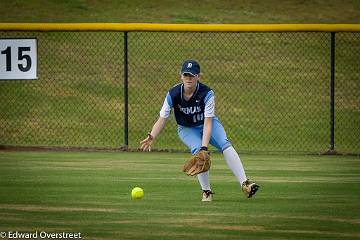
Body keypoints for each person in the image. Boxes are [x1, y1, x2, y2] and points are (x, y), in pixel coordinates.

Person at [140, 60, 259, 202]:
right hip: (186, 128)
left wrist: (205, 147)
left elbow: (208, 123)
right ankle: (206, 192)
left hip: (207, 124)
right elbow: (162, 118)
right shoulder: (173, 94)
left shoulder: (207, 93)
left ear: (198, 76)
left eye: (192, 75)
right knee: (199, 153)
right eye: (186, 75)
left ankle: (245, 184)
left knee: (224, 144)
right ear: (181, 76)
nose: (189, 78)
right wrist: (152, 135)